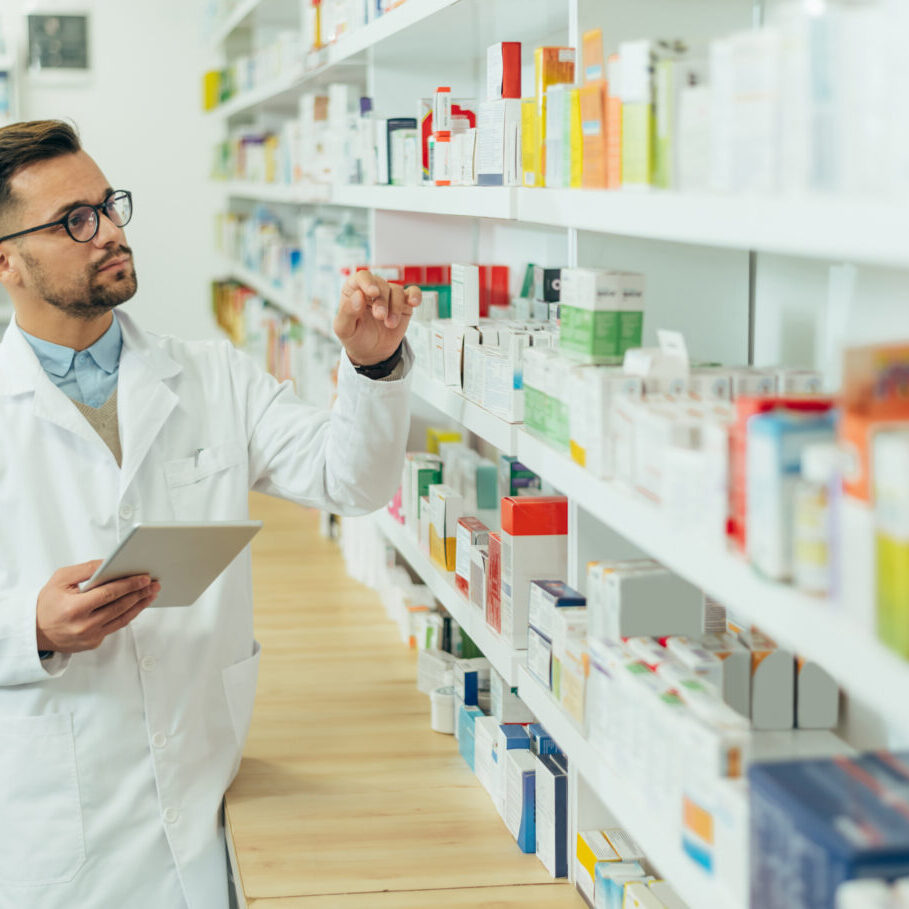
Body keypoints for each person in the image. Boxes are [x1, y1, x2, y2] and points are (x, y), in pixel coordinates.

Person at [0, 120, 419, 909]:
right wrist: (32, 625)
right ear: (6, 261)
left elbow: (350, 481)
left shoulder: (210, 376)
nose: (111, 232)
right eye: (74, 221)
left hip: (200, 791)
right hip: (53, 817)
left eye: (108, 205)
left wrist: (372, 364)